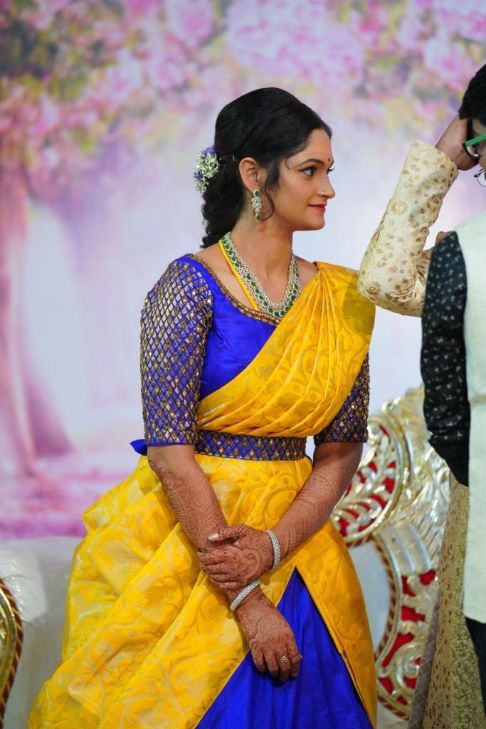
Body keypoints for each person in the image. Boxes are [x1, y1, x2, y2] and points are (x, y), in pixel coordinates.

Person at [29, 88, 377, 728]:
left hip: (299, 549)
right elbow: (169, 452)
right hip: (192, 543)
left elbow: (340, 450)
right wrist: (246, 597)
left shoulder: (341, 301)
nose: (328, 188)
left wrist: (273, 546)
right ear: (253, 174)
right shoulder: (186, 289)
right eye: (310, 170)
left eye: (330, 170)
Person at [358, 66, 486, 728]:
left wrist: (447, 154)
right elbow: (388, 279)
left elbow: (386, 277)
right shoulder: (469, 258)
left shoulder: (470, 256)